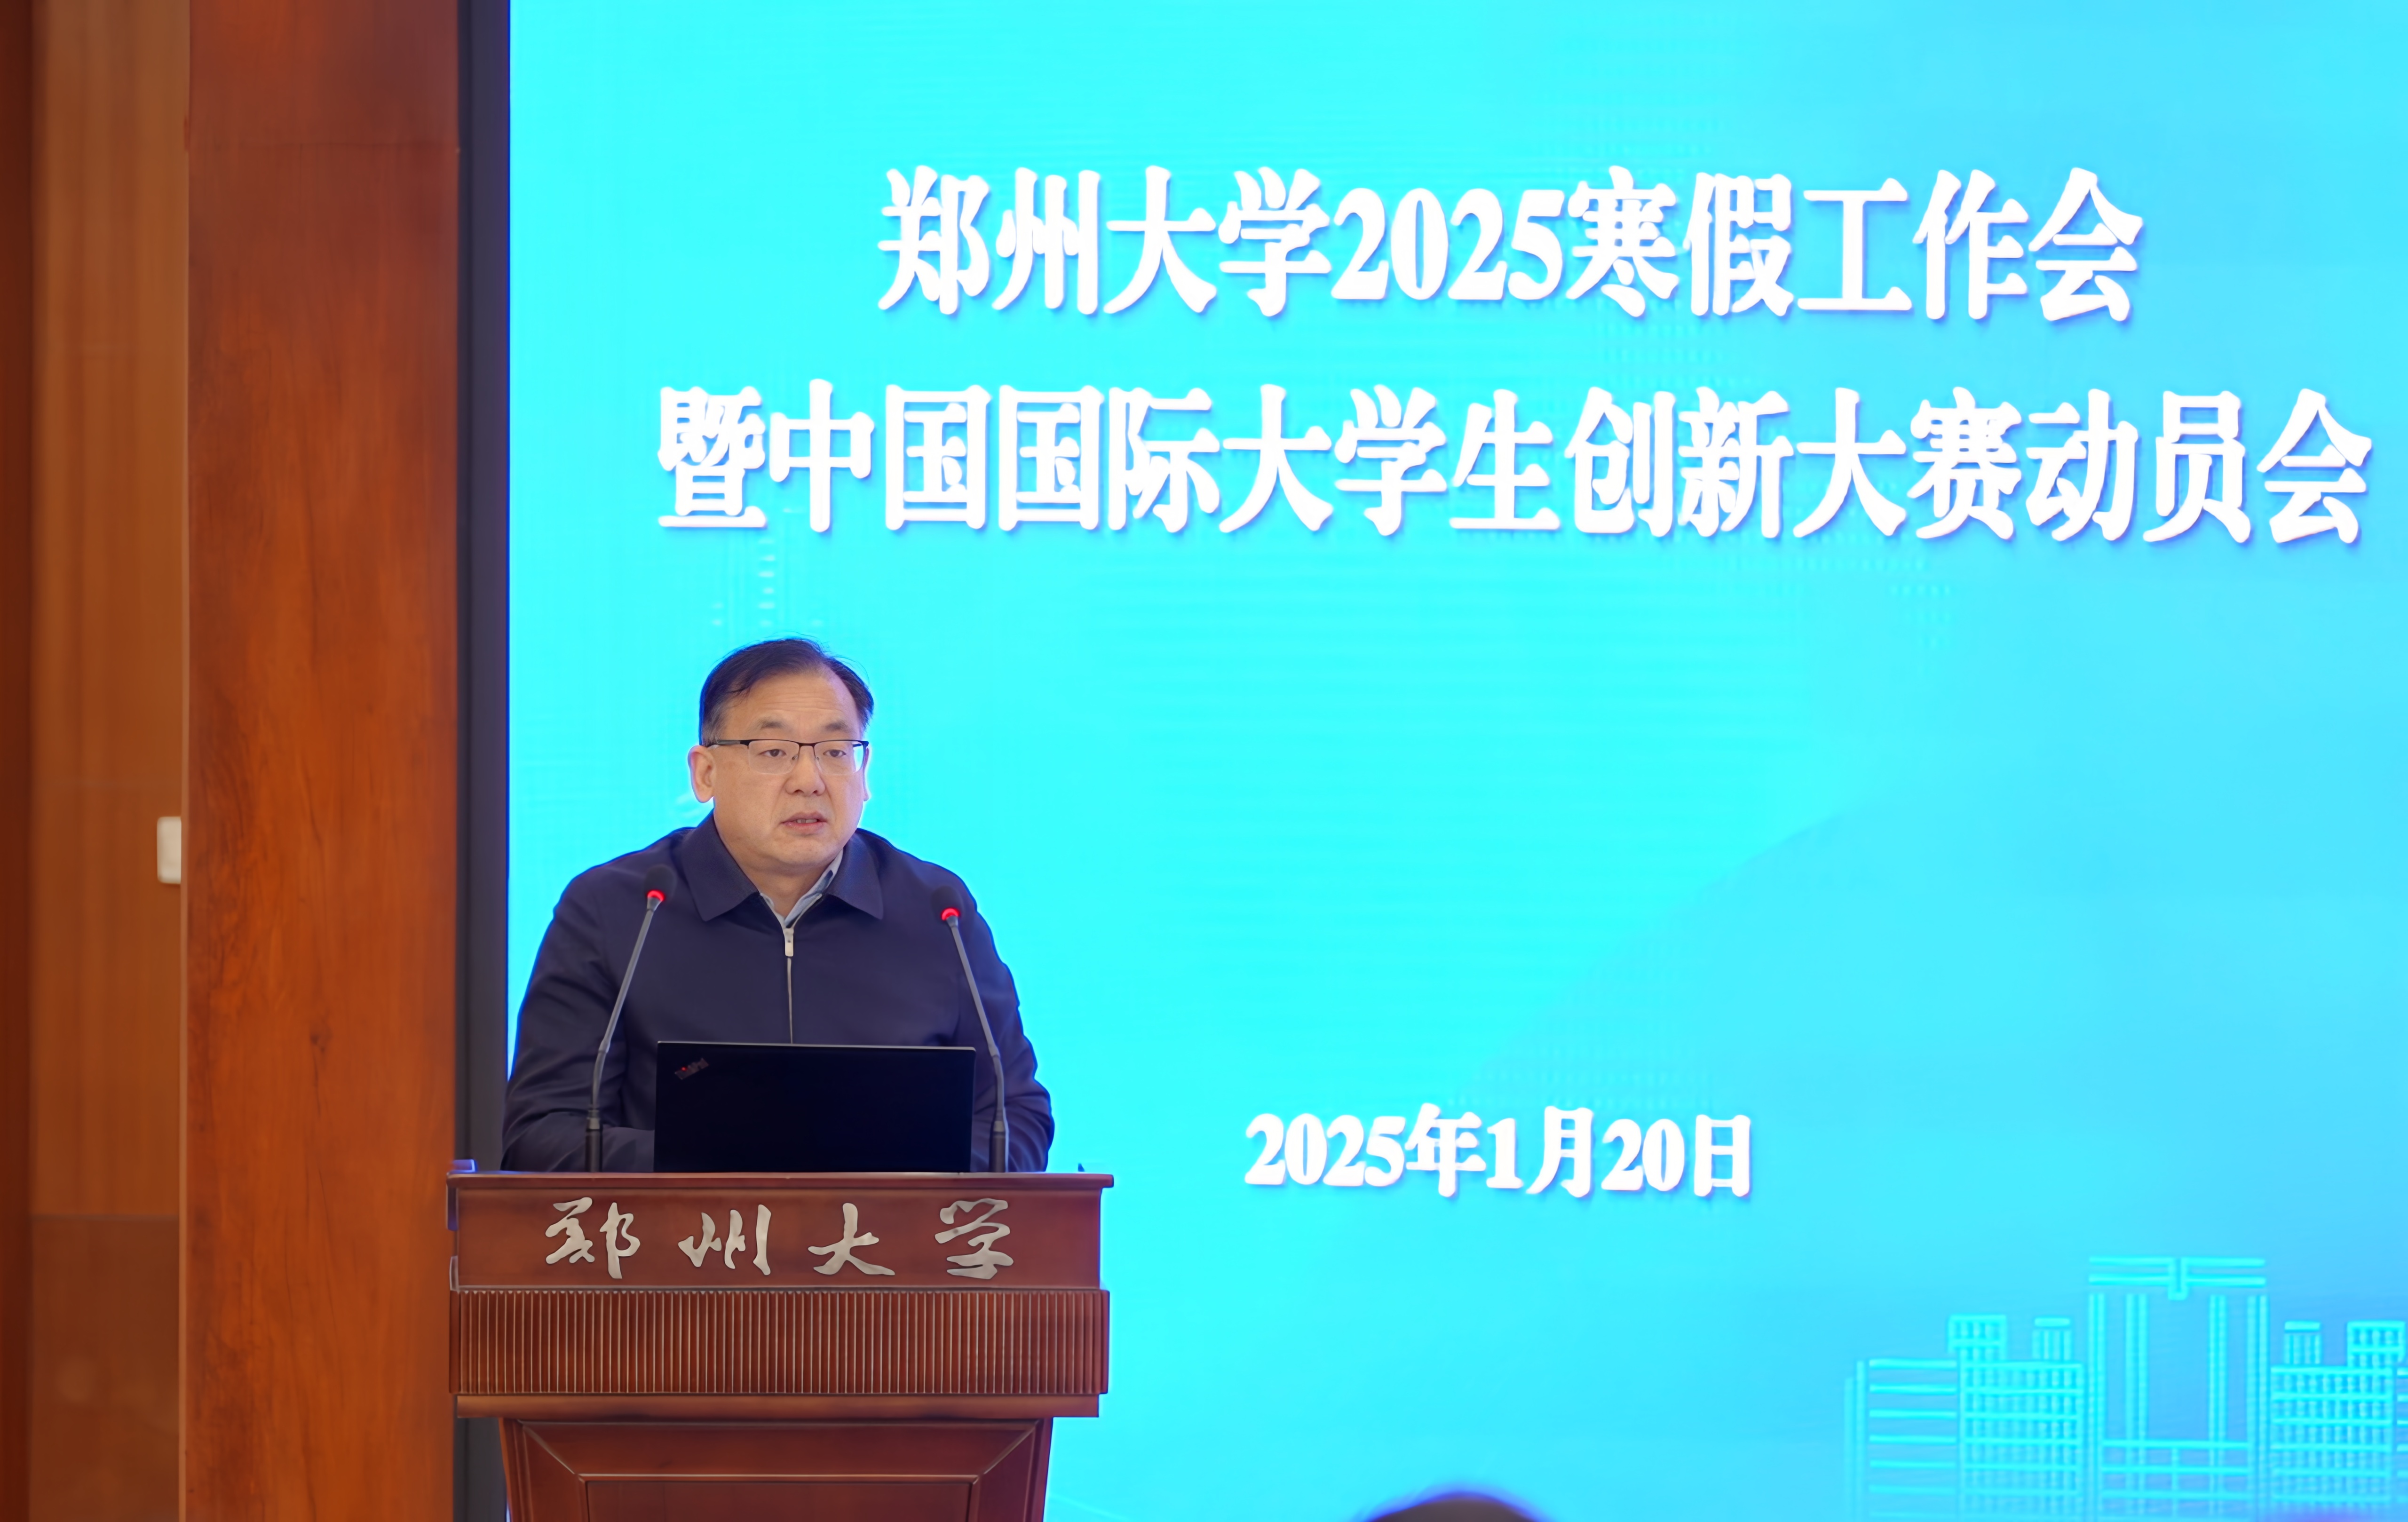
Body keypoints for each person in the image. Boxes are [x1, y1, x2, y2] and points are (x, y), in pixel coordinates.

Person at [502, 638, 1052, 1172]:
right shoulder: (618, 909)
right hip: (684, 1235)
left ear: (864, 773)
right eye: (773, 752)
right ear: (705, 773)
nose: (809, 781)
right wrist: (735, 1162)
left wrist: (893, 1182)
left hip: (892, 1235)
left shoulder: (937, 911)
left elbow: (1015, 1117)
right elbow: (543, 1134)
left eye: (835, 752)